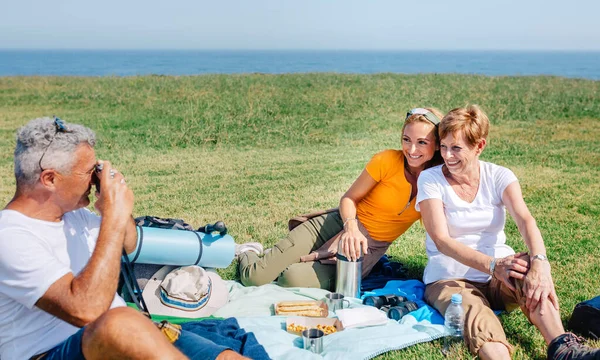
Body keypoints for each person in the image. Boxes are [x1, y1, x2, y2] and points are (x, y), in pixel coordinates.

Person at [0, 117, 249, 360]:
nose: (95, 178)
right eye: (89, 172)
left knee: (226, 356)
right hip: (55, 350)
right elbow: (86, 310)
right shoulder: (10, 237)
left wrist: (115, 206)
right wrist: (113, 216)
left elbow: (128, 240)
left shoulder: (74, 217)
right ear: (50, 179)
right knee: (119, 322)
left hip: (124, 332)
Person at [416, 105, 600, 360]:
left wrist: (540, 264)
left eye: (456, 148)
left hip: (499, 275)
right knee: (476, 314)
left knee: (529, 275)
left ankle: (563, 349)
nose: (447, 156)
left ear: (479, 146)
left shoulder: (498, 175)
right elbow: (442, 240)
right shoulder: (430, 179)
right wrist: (492, 265)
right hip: (450, 277)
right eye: (444, 147)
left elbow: (525, 220)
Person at [239, 107, 444, 290]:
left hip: (367, 248)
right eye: (406, 140)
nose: (412, 150)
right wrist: (351, 228)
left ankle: (283, 257)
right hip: (338, 223)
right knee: (255, 277)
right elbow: (349, 198)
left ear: (436, 146)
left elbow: (438, 228)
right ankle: (248, 251)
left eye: (422, 142)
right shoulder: (387, 160)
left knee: (290, 278)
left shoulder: (437, 183)